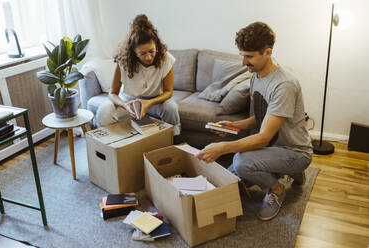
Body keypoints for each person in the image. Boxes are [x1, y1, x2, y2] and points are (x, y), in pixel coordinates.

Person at [196, 22, 312, 221]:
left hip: (294, 151)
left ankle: (277, 189)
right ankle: (285, 170)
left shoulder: (283, 85)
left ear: (268, 52)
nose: (243, 62)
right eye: (242, 55)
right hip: (273, 149)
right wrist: (234, 126)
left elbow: (263, 138)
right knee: (229, 180)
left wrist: (223, 147)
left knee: (241, 163)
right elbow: (261, 118)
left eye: (248, 56)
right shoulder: (256, 75)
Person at [96, 14, 180, 135]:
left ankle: (173, 140)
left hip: (155, 101)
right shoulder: (123, 61)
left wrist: (149, 103)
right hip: (129, 101)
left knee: (171, 108)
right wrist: (125, 105)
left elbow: (168, 92)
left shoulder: (165, 59)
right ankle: (114, 145)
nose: (148, 57)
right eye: (142, 53)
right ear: (134, 52)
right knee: (104, 112)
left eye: (152, 51)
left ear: (156, 45)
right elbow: (112, 93)